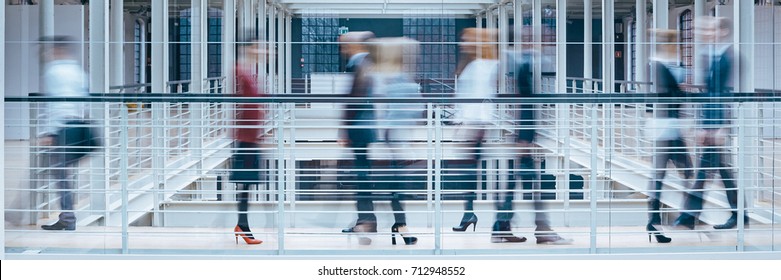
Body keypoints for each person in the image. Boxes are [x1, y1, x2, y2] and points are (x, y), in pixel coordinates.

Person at [490, 29, 572, 244]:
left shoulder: (525, 61)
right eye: (534, 39)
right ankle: (538, 228)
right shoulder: (521, 62)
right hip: (523, 132)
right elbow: (522, 99)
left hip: (524, 131)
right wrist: (525, 136)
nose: (542, 41)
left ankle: (505, 227)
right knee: (530, 182)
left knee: (521, 181)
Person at [673, 17, 746, 230]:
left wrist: (723, 126)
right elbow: (709, 93)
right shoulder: (711, 55)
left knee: (710, 170)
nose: (706, 33)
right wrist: (702, 124)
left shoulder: (730, 57)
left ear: (722, 32)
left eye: (712, 29)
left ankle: (688, 218)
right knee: (718, 170)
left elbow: (728, 94)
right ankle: (738, 215)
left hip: (718, 124)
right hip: (711, 123)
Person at [38, 36, 97, 231]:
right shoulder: (78, 71)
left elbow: (55, 104)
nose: (47, 54)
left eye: (50, 50)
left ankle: (68, 218)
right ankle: (67, 216)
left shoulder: (54, 71)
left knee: (60, 173)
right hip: (77, 127)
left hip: (62, 128)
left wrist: (48, 131)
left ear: (57, 51)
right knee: (61, 173)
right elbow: (83, 101)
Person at [367, 37, 421, 245]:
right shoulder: (382, 77)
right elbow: (383, 111)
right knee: (387, 185)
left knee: (395, 186)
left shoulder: (395, 77)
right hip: (386, 141)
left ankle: (398, 225)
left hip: (394, 142)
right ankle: (392, 225)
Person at [644, 29, 693, 243]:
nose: (677, 47)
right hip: (666, 128)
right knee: (665, 175)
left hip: (670, 127)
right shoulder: (658, 65)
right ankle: (669, 219)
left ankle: (673, 218)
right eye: (674, 42)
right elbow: (668, 93)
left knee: (669, 173)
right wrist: (682, 90)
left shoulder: (667, 64)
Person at [450, 28, 498, 233]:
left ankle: (471, 214)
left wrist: (468, 126)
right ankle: (468, 213)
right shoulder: (476, 64)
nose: (462, 44)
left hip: (474, 125)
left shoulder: (481, 65)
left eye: (466, 40)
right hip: (471, 125)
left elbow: (481, 99)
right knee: (468, 173)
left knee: (469, 172)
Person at [339, 31, 379, 245]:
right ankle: (366, 219)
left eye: (345, 45)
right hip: (365, 127)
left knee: (362, 175)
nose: (343, 49)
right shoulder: (367, 63)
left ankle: (366, 221)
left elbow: (353, 102)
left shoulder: (359, 64)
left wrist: (344, 130)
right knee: (361, 174)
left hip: (359, 128)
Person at [229, 32, 266, 245]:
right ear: (248, 48)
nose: (263, 51)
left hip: (251, 136)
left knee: (248, 184)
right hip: (247, 137)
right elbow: (245, 105)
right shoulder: (240, 71)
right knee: (246, 183)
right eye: (259, 47)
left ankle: (243, 225)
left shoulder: (248, 71)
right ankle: (243, 226)